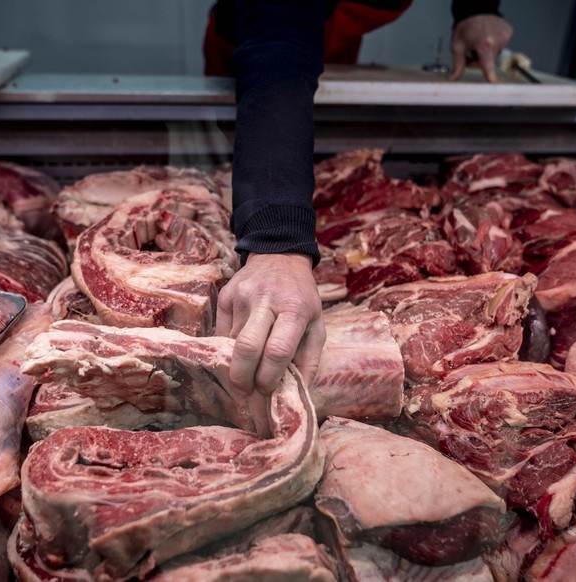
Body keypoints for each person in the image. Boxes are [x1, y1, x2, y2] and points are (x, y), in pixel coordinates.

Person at [209, 0, 513, 396]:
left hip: (327, 40)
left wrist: (475, 8)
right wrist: (277, 244)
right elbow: (279, 52)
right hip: (262, 49)